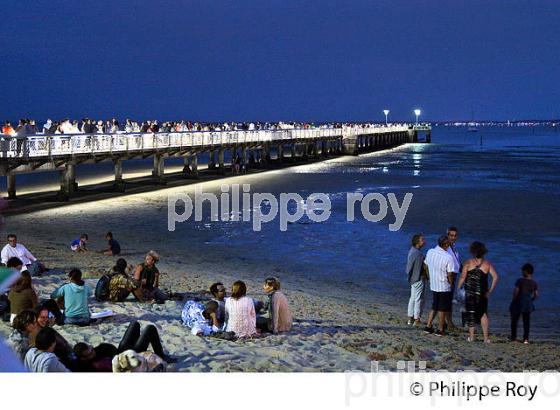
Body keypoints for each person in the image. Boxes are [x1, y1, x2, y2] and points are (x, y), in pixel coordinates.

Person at [73, 321, 175, 371]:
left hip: (120, 349)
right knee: (150, 329)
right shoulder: (93, 366)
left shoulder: (94, 353)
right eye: (89, 354)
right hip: (127, 357)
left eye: (91, 349)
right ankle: (161, 356)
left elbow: (109, 349)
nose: (93, 352)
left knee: (134, 324)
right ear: (83, 359)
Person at [457, 241, 498, 343]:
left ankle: (471, 337)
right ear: (483, 252)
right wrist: (490, 290)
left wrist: (458, 288)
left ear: (473, 251)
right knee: (483, 314)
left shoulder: (468, 263)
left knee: (471, 313)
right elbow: (496, 277)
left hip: (469, 292)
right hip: (482, 293)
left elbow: (462, 277)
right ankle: (485, 338)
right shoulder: (487, 264)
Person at [423, 236, 456, 336]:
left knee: (435, 306)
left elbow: (426, 265)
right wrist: (451, 284)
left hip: (434, 284)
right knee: (442, 308)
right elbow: (450, 274)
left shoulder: (430, 252)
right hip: (443, 285)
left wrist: (429, 277)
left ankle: (428, 326)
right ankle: (440, 328)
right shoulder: (448, 257)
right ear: (446, 245)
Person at [510, 263, 538, 344]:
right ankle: (526, 339)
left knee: (515, 320)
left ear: (525, 271)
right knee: (526, 322)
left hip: (519, 302)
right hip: (528, 304)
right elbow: (536, 295)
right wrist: (531, 300)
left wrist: (513, 300)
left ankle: (514, 338)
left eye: (522, 271)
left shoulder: (520, 281)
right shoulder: (534, 283)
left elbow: (516, 291)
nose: (522, 272)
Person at [406, 234, 427, 326]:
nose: (424, 241)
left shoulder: (412, 251)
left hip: (413, 279)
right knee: (418, 299)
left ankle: (410, 318)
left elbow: (409, 268)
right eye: (422, 240)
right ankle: (416, 319)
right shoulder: (418, 254)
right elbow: (423, 267)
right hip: (418, 279)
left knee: (413, 298)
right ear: (417, 242)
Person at [446, 227, 461, 330]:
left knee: (448, 300)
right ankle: (449, 323)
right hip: (449, 276)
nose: (453, 237)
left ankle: (449, 322)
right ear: (448, 235)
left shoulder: (454, 247)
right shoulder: (446, 247)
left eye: (455, 235)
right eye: (451, 235)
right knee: (447, 301)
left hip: (454, 275)